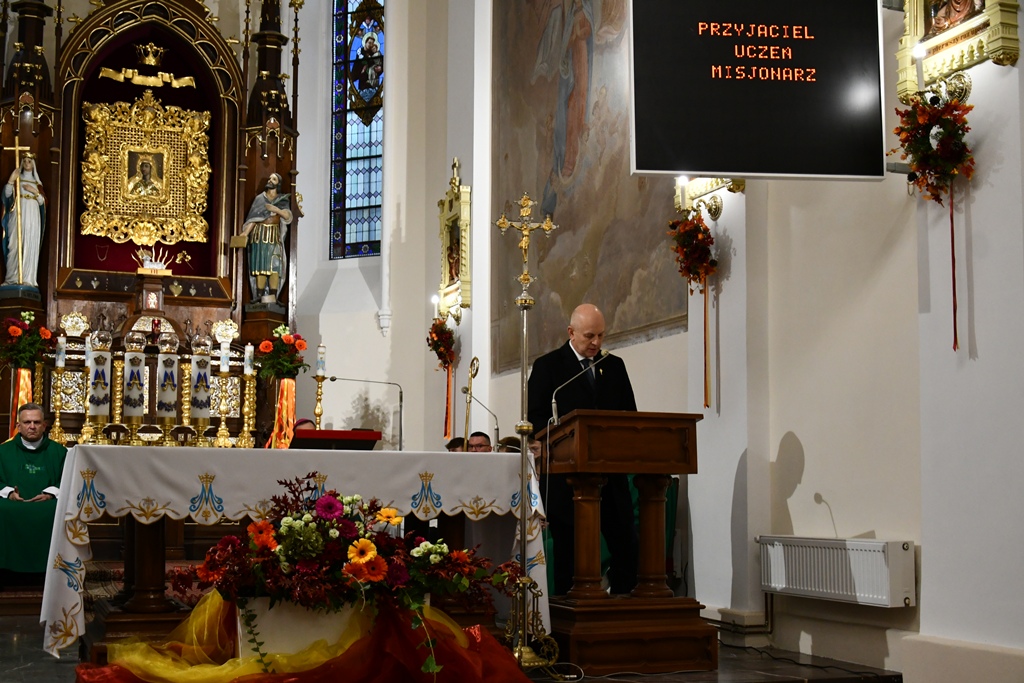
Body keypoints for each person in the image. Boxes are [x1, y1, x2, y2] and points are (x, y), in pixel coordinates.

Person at [527, 303, 638, 596]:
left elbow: (629, 414)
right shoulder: (549, 366)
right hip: (567, 476)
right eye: (589, 336)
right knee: (570, 547)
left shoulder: (613, 366)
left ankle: (624, 603)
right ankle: (567, 607)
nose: (596, 342)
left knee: (625, 540)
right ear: (571, 332)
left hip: (610, 471)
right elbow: (535, 417)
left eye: (601, 335)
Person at [0, 403, 67, 574]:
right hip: (12, 504)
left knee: (59, 511)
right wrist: (9, 493)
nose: (32, 426)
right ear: (18, 426)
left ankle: (53, 571)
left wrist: (50, 493)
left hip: (47, 504)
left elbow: (68, 480)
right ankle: (5, 569)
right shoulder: (3, 451)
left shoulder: (59, 452)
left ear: (44, 425)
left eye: (36, 422)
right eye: (27, 422)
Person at [237, 173, 292, 304]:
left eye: (274, 179)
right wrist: (245, 233)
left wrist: (275, 209)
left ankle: (274, 296)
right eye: (269, 178)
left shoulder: (282, 200)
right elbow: (253, 218)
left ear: (278, 183)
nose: (270, 180)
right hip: (259, 236)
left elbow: (288, 216)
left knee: (275, 266)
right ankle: (259, 295)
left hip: (274, 236)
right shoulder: (259, 199)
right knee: (260, 265)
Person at [2, 154, 45, 289]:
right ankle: (11, 278)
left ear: (33, 164)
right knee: (14, 244)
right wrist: (11, 181)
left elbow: (42, 202)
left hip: (32, 216)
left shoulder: (37, 184)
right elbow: (7, 196)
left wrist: (34, 191)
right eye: (24, 161)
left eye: (29, 161)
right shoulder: (17, 180)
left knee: (29, 243)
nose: (27, 163)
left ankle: (28, 278)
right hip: (17, 215)